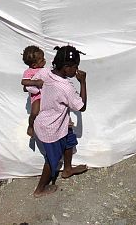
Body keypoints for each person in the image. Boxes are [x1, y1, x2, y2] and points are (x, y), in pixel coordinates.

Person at [32, 45, 88, 197]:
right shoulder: (66, 88)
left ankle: (67, 169)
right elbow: (81, 107)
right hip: (51, 128)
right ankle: (40, 189)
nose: (76, 70)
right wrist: (82, 82)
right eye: (75, 67)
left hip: (57, 122)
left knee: (69, 140)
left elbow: (32, 82)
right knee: (52, 159)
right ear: (66, 67)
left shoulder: (45, 72)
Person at [21, 46, 47, 138]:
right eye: (42, 60)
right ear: (34, 65)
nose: (45, 60)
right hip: (37, 96)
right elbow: (24, 82)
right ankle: (30, 126)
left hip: (47, 95)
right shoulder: (29, 71)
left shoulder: (45, 69)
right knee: (35, 112)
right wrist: (35, 82)